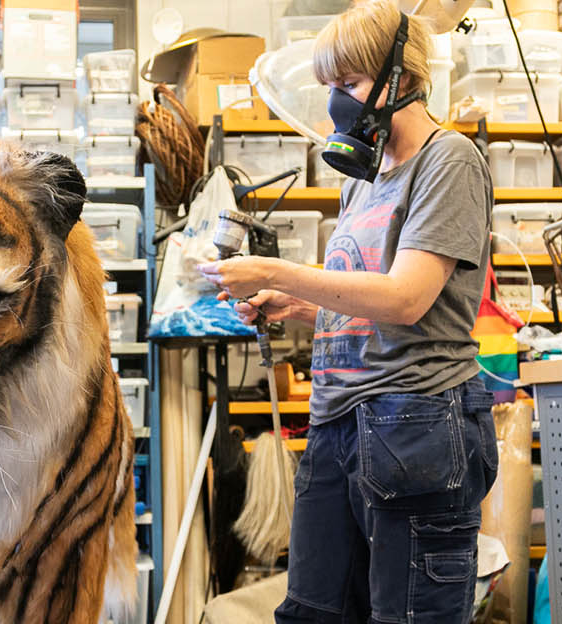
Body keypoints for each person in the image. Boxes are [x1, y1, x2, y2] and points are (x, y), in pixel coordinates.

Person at [198, 2, 498, 623]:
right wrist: (300, 305)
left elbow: (408, 299)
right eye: (330, 87)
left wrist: (276, 269)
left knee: (410, 615)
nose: (338, 103)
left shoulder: (449, 161)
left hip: (413, 420)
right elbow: (364, 299)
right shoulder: (361, 180)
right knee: (311, 613)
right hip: (337, 422)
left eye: (351, 85)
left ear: (404, 80)